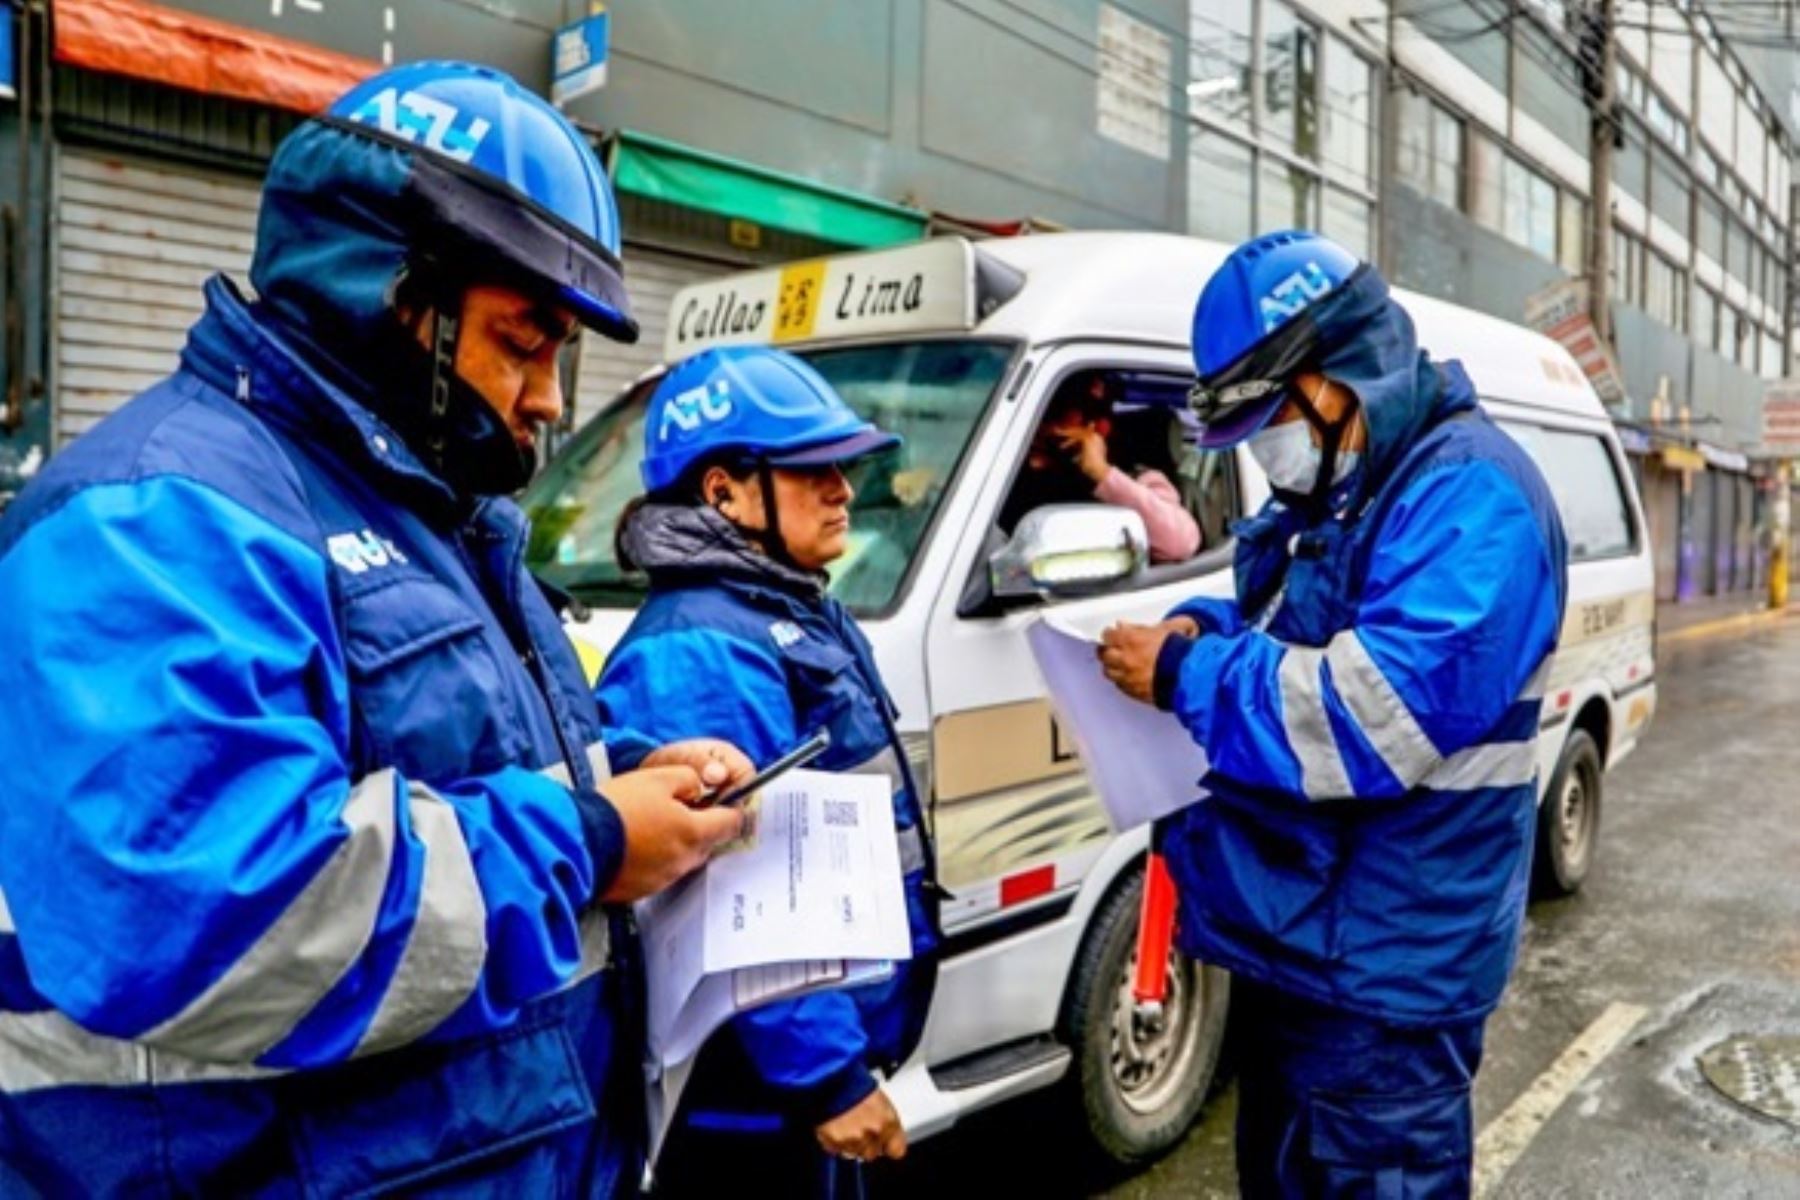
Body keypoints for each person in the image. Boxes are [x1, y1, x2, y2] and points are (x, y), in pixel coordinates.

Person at [0, 62, 750, 1197]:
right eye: (524, 341)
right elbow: (209, 911)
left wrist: (636, 777)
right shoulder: (150, 518)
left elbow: (463, 768)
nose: (549, 400)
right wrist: (592, 840)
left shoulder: (440, 517)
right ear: (390, 294)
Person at [1097, 230, 1568, 1197]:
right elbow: (1301, 629)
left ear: (1337, 376)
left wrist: (1188, 672)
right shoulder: (1344, 495)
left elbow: (1372, 710)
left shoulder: (1473, 497)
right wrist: (1211, 621)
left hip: (1388, 981)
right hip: (1308, 951)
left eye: (1271, 418)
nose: (1266, 452)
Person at [594, 345, 939, 1197]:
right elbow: (744, 896)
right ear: (725, 492)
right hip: (755, 1094)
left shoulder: (785, 607)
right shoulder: (701, 644)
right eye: (813, 471)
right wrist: (828, 1076)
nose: (844, 491)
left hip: (790, 1075)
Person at [998, 372, 1202, 562]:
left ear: (1096, 427)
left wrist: (1101, 473)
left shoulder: (1135, 480)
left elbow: (1180, 543)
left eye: (1056, 414)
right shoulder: (998, 476)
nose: (1042, 428)